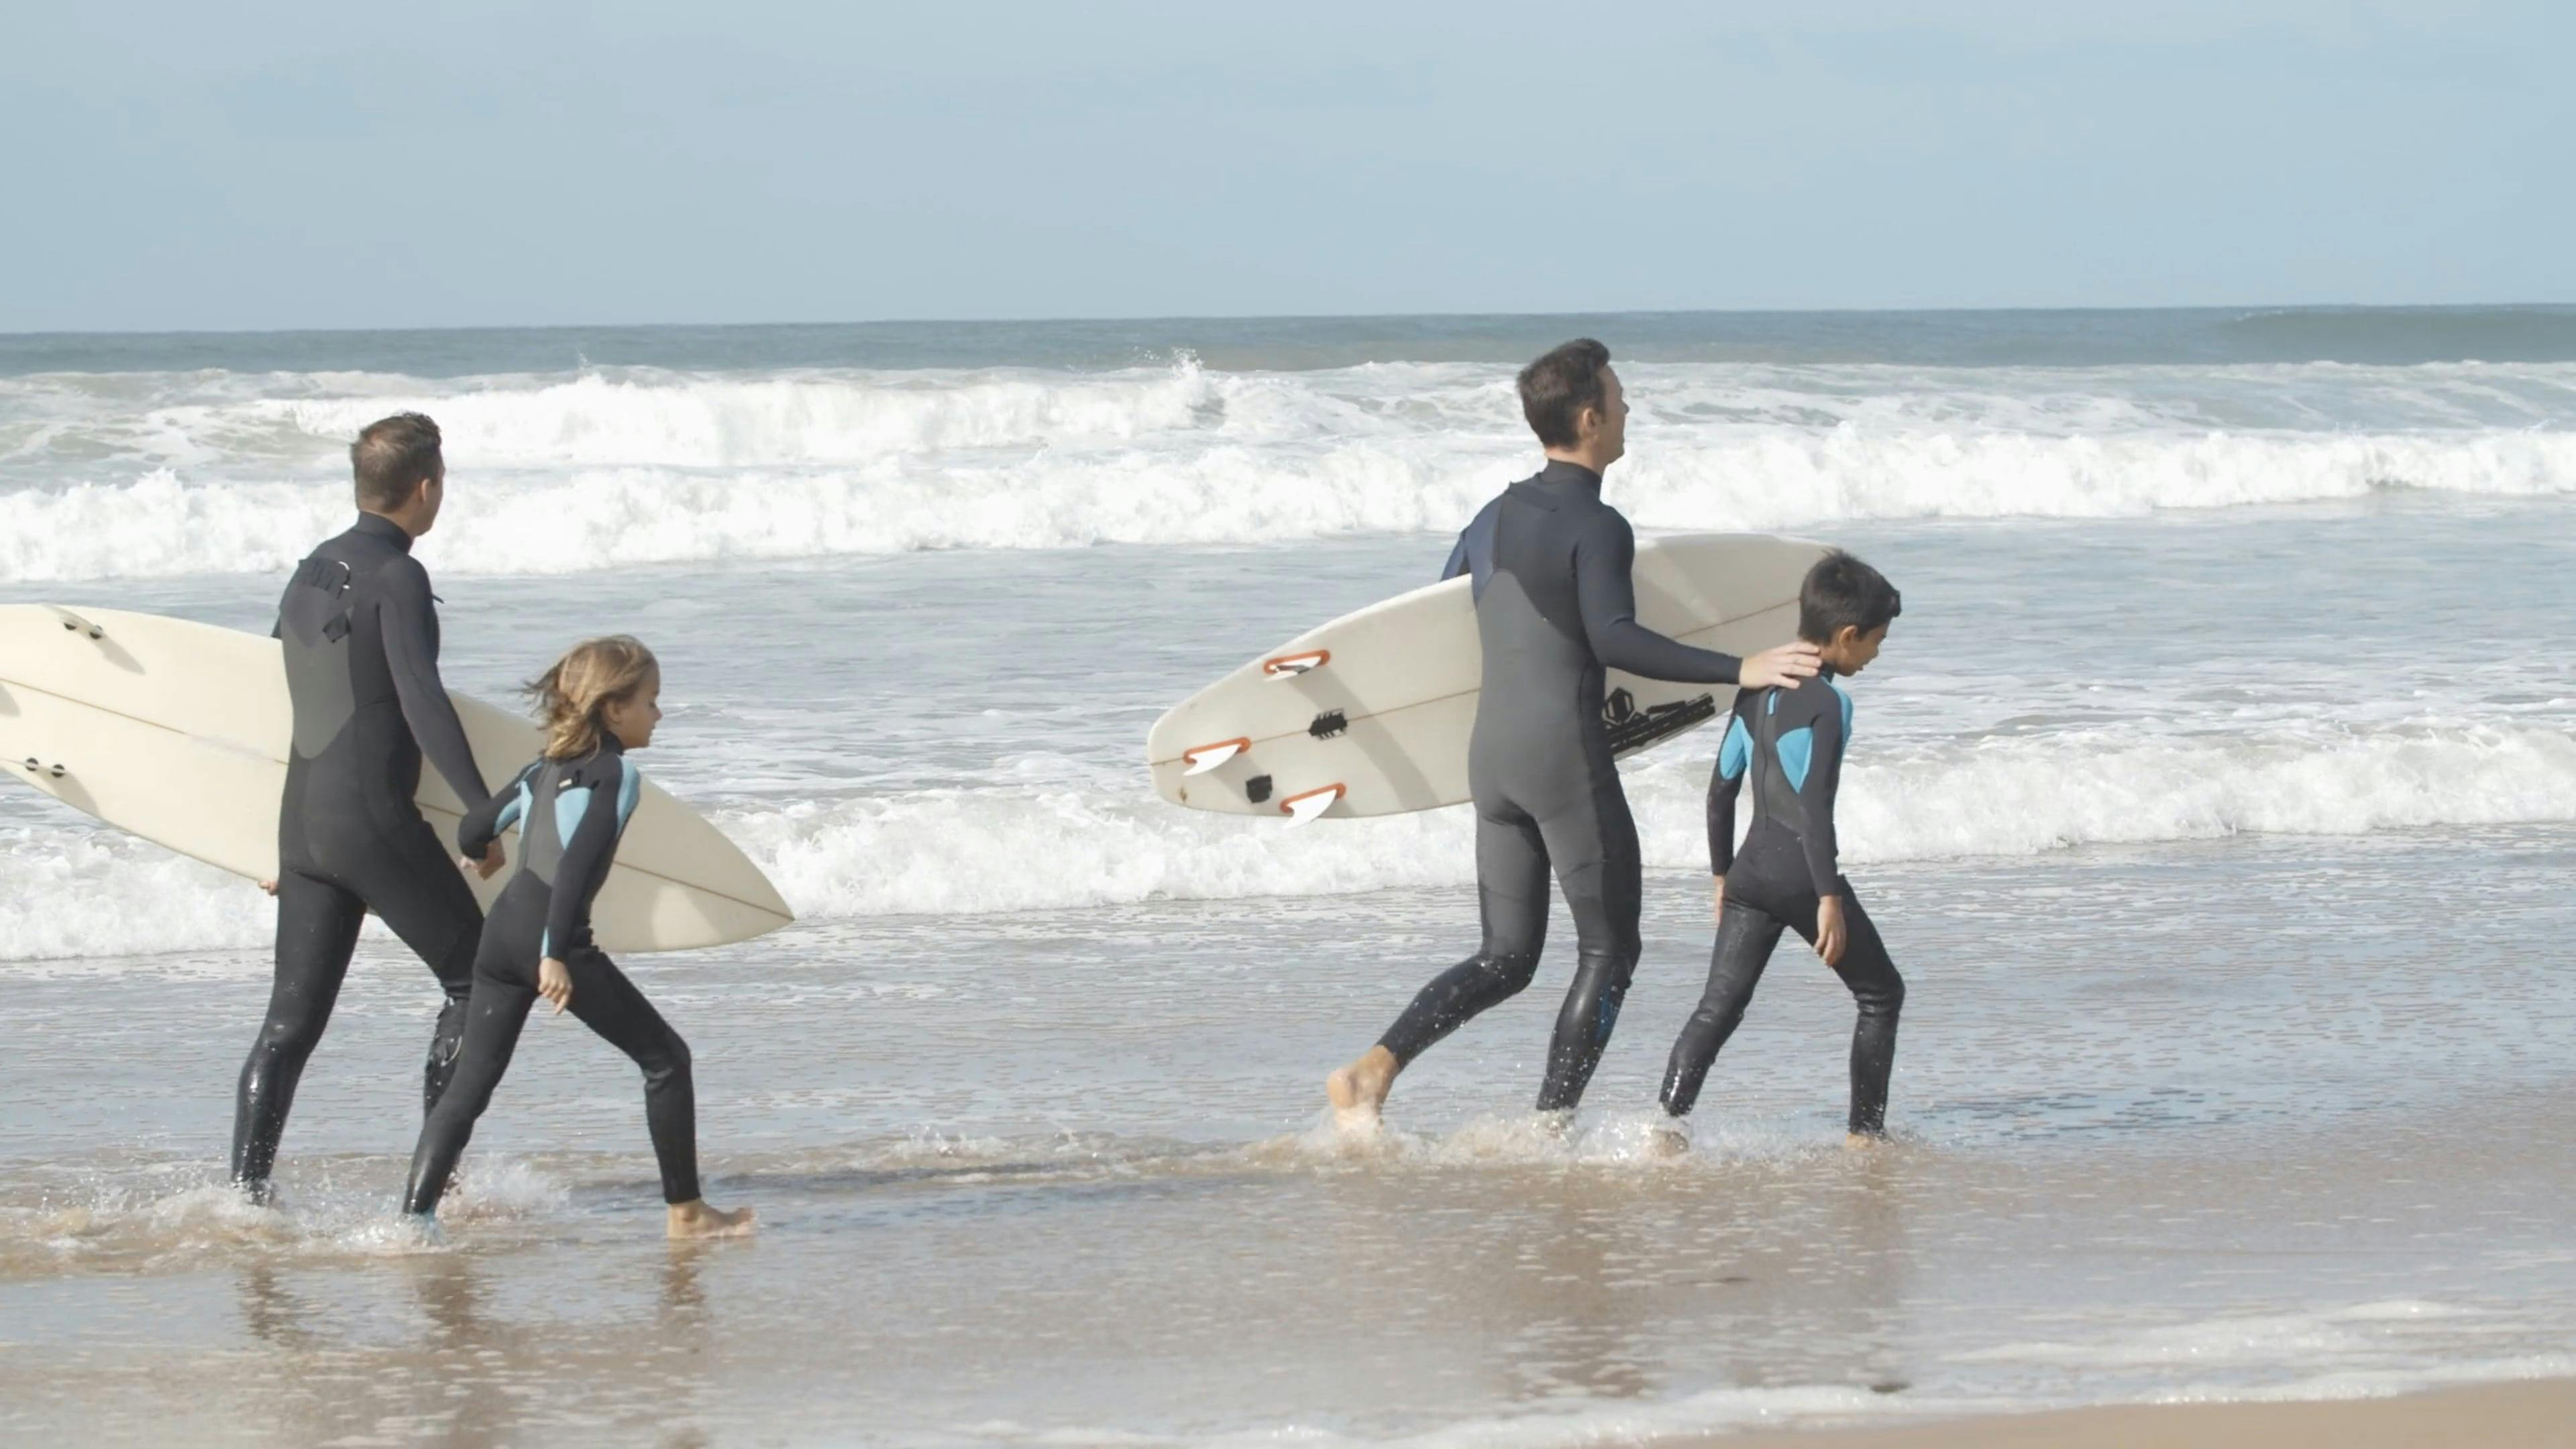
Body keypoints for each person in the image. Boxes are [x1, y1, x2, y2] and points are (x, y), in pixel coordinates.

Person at [1326, 339, 1821, 1130]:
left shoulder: (1489, 518)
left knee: (1506, 958)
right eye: (1620, 402)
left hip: (1490, 761)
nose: (1628, 414)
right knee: (1611, 953)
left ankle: (1373, 1071)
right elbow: (1614, 638)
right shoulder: (1599, 524)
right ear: (1590, 418)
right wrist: (1742, 667)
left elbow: (1442, 621)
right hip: (1563, 760)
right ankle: (1548, 1126)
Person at [232, 413, 504, 1200]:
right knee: (476, 981)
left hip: (303, 827)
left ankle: (243, 1203)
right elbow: (423, 701)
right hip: (373, 824)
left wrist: (264, 842)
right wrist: (482, 814)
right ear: (427, 489)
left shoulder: (310, 570)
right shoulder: (399, 577)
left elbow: (277, 693)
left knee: (288, 1029)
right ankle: (435, 1190)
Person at [403, 636, 753, 1238]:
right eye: (651, 701)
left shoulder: (542, 769)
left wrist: (483, 854)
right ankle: (687, 1213)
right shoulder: (614, 773)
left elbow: (473, 826)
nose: (659, 714)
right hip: (549, 937)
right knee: (666, 1060)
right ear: (614, 709)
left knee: (469, 1088)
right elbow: (576, 867)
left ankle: (414, 1221)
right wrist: (556, 955)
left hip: (500, 936)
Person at [1657, 551, 1906, 1149]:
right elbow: (1815, 808)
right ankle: (1864, 1138)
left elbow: (1720, 791)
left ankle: (1664, 1130)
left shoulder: (1756, 690)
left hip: (1748, 873)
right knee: (1881, 995)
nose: (1874, 655)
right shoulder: (1830, 704)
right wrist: (1827, 896)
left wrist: (1721, 876)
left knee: (1716, 1010)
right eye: (1875, 642)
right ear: (1846, 636)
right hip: (1800, 872)